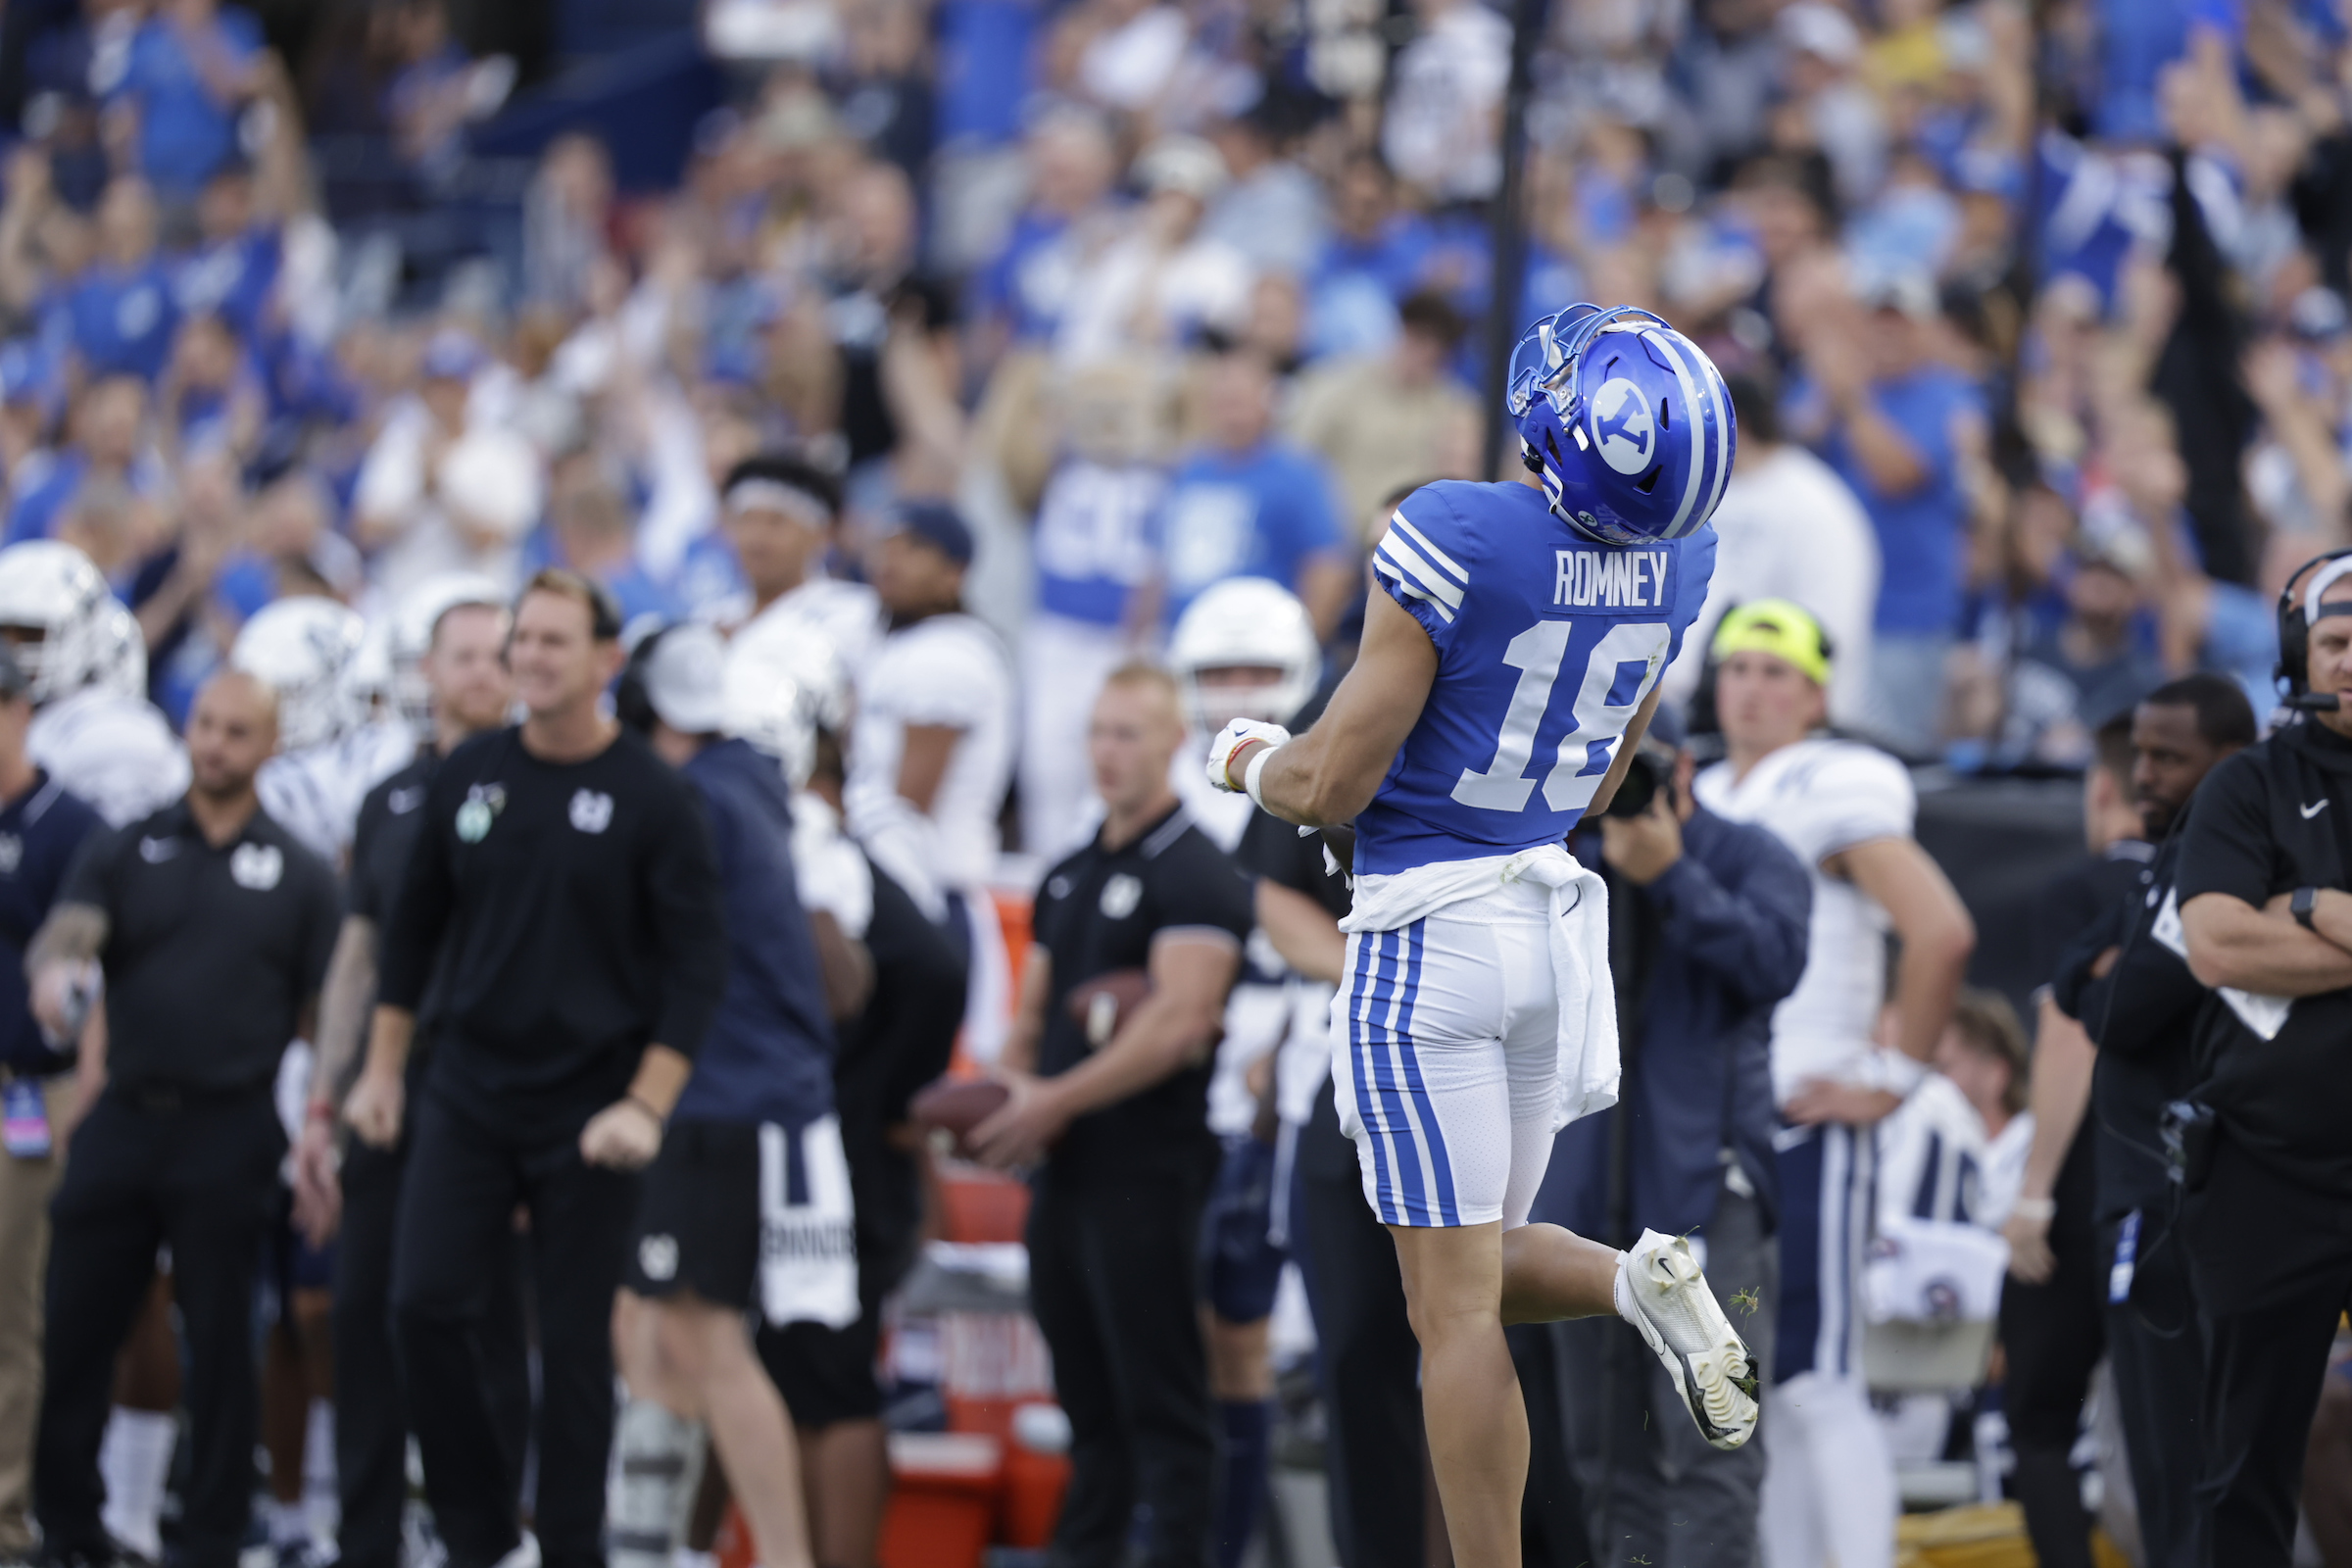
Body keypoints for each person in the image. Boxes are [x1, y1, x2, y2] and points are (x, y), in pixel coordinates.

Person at [1208, 302, 1756, 1567]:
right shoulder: (1679, 560)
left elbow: (1330, 785)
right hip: (1548, 925)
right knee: (1483, 1264)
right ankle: (1636, 1282)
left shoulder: (1452, 528)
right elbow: (1612, 770)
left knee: (1448, 1316)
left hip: (1426, 931)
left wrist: (1242, 756)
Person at [342, 569, 727, 1568]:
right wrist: (381, 1074)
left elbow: (698, 970)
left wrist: (647, 1104)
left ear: (604, 660)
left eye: (556, 641)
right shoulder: (469, 773)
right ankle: (476, 1534)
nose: (532, 658)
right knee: (420, 1304)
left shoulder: (654, 795)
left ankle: (568, 1549)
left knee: (572, 1342)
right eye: (523, 639)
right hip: (467, 1084)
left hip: (593, 1100)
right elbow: (411, 938)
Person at [27, 669, 340, 1568]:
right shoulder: (131, 848)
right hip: (126, 1114)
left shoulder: (299, 871)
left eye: (236, 730)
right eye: (204, 724)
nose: (214, 744)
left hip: (231, 1125)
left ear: (268, 744)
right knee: (78, 1323)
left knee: (220, 1332)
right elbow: (69, 935)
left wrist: (322, 1127)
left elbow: (328, 1013)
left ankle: (207, 1537)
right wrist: (60, 983)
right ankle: (71, 1526)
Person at [1691, 597, 1976, 1568]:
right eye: (1738, 667)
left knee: (1817, 1378)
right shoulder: (1701, 785)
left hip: (1807, 1115)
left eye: (1778, 672)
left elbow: (1940, 929)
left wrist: (1892, 1077)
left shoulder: (1838, 781)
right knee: (1745, 1387)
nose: (1754, 689)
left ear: (1817, 694)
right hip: (1713, 1123)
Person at [974, 663, 1253, 1568]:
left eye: (1128, 733)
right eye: (1098, 732)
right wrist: (1003, 1097)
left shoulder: (1198, 872)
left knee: (1163, 1399)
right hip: (1067, 1169)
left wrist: (1050, 1100)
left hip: (1150, 1167)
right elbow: (1031, 1022)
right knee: (1086, 1403)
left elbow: (1179, 1021)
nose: (1107, 752)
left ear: (1173, 741)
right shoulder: (1067, 872)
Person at [1534, 704, 1812, 1568]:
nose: (1623, 792)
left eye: (1640, 771)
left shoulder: (1751, 855)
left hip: (1705, 1196)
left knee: (1715, 1441)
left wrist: (1672, 876)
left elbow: (1774, 964)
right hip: (1580, 1195)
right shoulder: (1558, 858)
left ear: (1683, 769)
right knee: (1603, 1453)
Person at [606, 622, 859, 1568]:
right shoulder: (741, 788)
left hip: (722, 1096)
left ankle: (776, 1555)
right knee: (657, 1328)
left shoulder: (696, 801)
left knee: (706, 1340)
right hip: (735, 1094)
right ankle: (658, 1541)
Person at [286, 579, 527, 1568]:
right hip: (391, 1082)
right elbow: (359, 952)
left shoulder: (542, 784)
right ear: (424, 673)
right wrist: (321, 1102)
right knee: (365, 1306)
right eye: (459, 655)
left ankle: (491, 1537)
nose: (477, 672)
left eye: (494, 653)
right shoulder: (390, 797)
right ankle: (367, 1538)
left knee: (488, 1314)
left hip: (500, 1086)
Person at [0, 542, 187, 1561]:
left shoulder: (103, 747)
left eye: (26, 638)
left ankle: (117, 1504)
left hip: (98, 1057)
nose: (13, 662)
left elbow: (114, 922)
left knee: (90, 1289)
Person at [2041, 674, 2254, 1568]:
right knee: (2168, 1474)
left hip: (2177, 1206)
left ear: (2232, 765)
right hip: (2149, 1200)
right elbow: (2069, 975)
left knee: (2189, 1476)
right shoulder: (2165, 860)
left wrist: (2100, 978)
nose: (2145, 777)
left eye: (2171, 759)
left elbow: (2117, 1007)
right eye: (2140, 758)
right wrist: (2098, 977)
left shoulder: (2226, 862)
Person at [2173, 553, 2352, 1567]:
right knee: (2243, 1464)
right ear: (2298, 653)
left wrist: (2311, 905)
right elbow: (2217, 945)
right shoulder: (2250, 781)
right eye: (2337, 642)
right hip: (2264, 1169)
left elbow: (2256, 933)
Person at [758, 729, 963, 1568]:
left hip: (837, 1161)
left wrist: (884, 1102)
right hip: (821, 1152)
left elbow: (932, 972)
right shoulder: (826, 847)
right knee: (787, 1376)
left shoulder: (824, 852)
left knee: (828, 1378)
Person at [1994, 711, 2150, 1568]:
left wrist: (2036, 1192)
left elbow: (2069, 1038)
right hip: (2186, 1187)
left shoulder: (2082, 890)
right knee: (2178, 1429)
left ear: (2101, 790)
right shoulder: (2213, 885)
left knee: (2041, 1422)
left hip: (2090, 1183)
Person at [0, 646, 104, 1568]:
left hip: (26, 1090)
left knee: (10, 1306)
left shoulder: (68, 826)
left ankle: (5, 1514)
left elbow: (86, 979)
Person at [842, 503, 1013, 1055]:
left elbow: (904, 809)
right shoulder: (897, 644)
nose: (891, 559)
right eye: (886, 544)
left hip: (927, 894)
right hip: (902, 889)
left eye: (913, 547)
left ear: (954, 570)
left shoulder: (948, 656)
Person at [1656, 369, 1878, 731]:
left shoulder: (1816, 504)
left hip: (1787, 725)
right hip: (1697, 714)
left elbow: (1831, 628)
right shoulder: (1700, 491)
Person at [1146, 342, 1355, 640]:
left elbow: (1329, 569)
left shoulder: (1299, 475)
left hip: (1253, 651)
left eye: (1240, 400)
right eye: (1223, 400)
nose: (1231, 412)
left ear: (1269, 400)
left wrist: (1303, 644)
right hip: (1181, 641)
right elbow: (1160, 566)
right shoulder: (1189, 469)